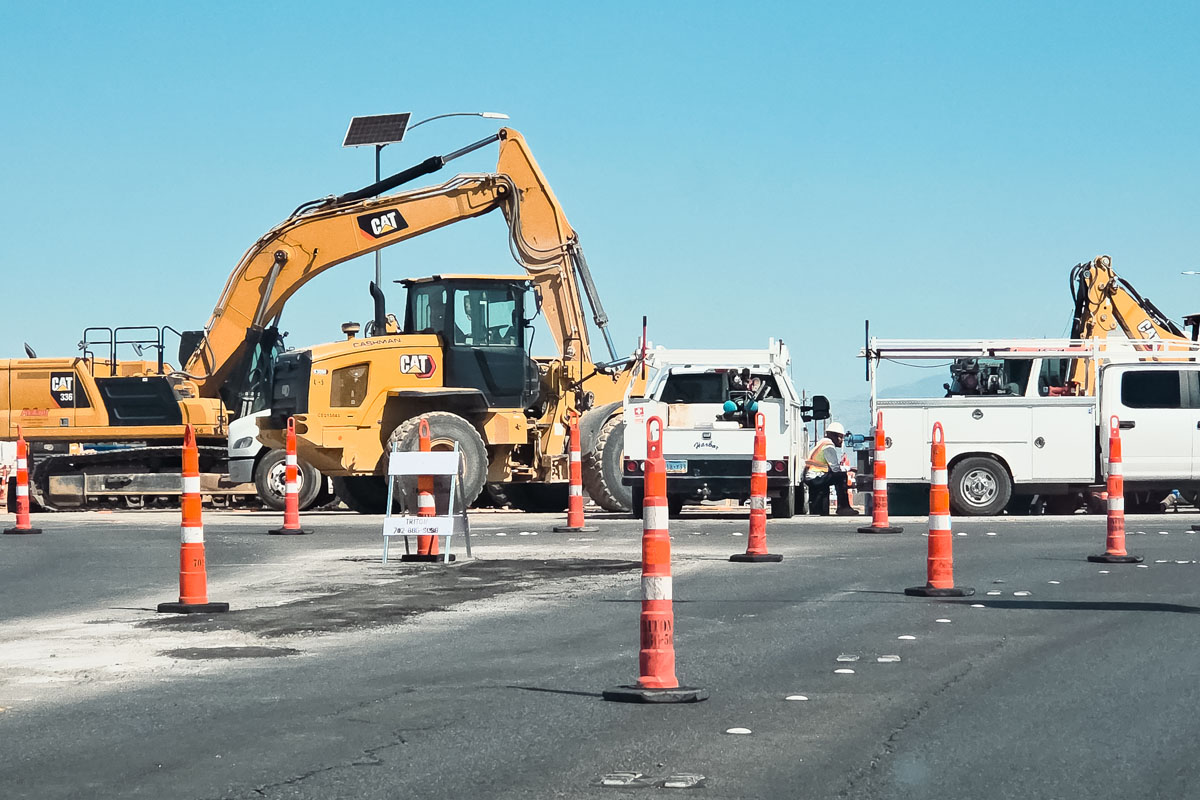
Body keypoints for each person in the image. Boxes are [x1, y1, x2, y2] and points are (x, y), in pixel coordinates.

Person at [804, 421, 859, 515]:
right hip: (816, 478)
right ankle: (843, 507)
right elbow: (835, 469)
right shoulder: (829, 447)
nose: (841, 440)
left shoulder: (821, 443)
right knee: (841, 476)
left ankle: (821, 510)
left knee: (831, 480)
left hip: (812, 476)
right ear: (834, 436)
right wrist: (850, 469)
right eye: (841, 437)